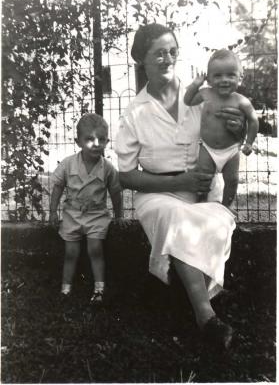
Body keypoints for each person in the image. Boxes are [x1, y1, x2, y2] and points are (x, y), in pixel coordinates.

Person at [115, 23, 245, 349]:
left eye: (172, 51)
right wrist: (177, 181)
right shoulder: (135, 113)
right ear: (140, 60)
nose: (167, 58)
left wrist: (237, 126)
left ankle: (179, 287)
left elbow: (227, 139)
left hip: (201, 187)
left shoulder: (199, 97)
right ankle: (206, 317)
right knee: (176, 217)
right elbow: (126, 176)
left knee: (214, 217)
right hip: (157, 193)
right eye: (158, 53)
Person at [50, 113, 123, 305]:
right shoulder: (68, 164)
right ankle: (65, 289)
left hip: (96, 215)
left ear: (107, 141)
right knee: (71, 252)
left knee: (95, 248)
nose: (96, 143)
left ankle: (99, 289)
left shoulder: (107, 168)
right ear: (78, 141)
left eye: (101, 139)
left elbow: (116, 192)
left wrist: (119, 216)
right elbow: (57, 186)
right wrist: (52, 211)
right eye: (89, 139)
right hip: (72, 214)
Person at [184, 49, 259, 206]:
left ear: (240, 77)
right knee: (203, 176)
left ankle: (227, 206)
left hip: (231, 150)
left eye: (230, 75)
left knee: (232, 180)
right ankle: (201, 200)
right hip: (208, 148)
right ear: (209, 79)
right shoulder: (205, 94)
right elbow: (188, 101)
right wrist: (195, 85)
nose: (224, 80)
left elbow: (253, 120)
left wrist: (249, 142)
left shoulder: (242, 101)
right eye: (217, 76)